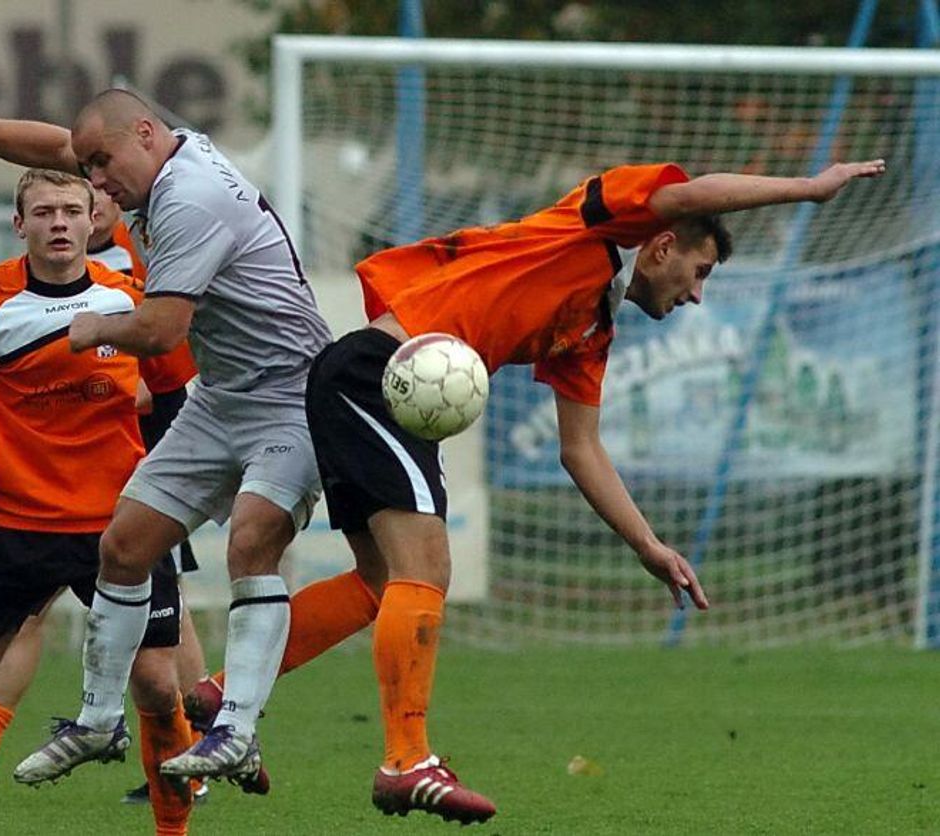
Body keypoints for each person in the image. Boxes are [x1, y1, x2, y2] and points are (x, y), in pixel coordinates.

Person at [304, 158, 887, 824]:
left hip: (375, 386)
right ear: (662, 247)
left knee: (381, 583)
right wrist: (807, 189)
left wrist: (649, 545)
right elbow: (691, 195)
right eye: (700, 271)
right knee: (426, 568)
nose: (698, 295)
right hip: (376, 375)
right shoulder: (597, 226)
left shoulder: (591, 326)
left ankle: (225, 696)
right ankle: (406, 762)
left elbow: (580, 448)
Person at [0, 84, 372, 793]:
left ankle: (236, 732)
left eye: (98, 168)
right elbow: (57, 146)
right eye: (84, 172)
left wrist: (91, 330)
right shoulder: (150, 167)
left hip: (287, 394)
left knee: (249, 544)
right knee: (125, 545)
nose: (93, 186)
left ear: (145, 134)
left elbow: (161, 331)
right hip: (221, 397)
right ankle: (96, 721)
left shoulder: (188, 200)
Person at [0, 188, 211, 809]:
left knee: (156, 683)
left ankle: (188, 781)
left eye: (70, 212)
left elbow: (171, 392)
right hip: (13, 525)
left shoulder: (127, 298)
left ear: (93, 221)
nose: (59, 224)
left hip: (117, 525)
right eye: (44, 213)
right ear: (19, 224)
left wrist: (164, 476)